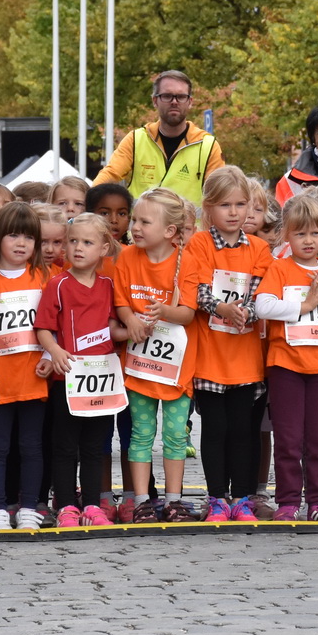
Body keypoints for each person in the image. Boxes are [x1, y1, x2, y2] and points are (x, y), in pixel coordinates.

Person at [256, 193, 318, 522]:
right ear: (287, 235)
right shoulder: (280, 269)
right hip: (286, 365)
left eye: (315, 232)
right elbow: (263, 306)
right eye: (300, 233)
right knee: (288, 439)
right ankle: (287, 502)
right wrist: (305, 305)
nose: (308, 240)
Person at [183, 166, 274, 517]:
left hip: (247, 359)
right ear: (208, 207)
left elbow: (262, 292)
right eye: (225, 205)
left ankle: (243, 497)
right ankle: (217, 497)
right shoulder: (199, 243)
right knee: (215, 430)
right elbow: (197, 289)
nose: (234, 212)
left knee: (244, 431)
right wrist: (222, 308)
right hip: (210, 357)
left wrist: (247, 312)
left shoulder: (260, 249)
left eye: (240, 204)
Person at [113, 187, 198, 523]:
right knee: (141, 433)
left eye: (144, 222)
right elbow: (120, 300)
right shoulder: (127, 257)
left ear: (169, 230)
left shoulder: (186, 261)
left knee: (176, 435)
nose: (135, 227)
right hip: (139, 366)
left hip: (176, 368)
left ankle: (174, 500)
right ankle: (142, 500)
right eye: (134, 220)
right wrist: (131, 320)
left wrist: (164, 311)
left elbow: (188, 313)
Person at [36, 213, 123, 528]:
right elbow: (43, 328)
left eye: (87, 242)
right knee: (64, 446)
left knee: (94, 446)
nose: (78, 248)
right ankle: (67, 507)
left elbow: (113, 328)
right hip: (67, 377)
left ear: (103, 249)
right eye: (73, 241)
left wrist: (137, 331)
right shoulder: (57, 284)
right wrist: (56, 351)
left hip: (101, 379)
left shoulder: (108, 285)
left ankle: (92, 505)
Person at [0, 202, 51, 531]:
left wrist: (49, 358)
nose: (21, 243)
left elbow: (54, 325)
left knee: (31, 447)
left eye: (29, 237)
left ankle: (29, 507)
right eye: (13, 235)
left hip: (34, 380)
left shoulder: (43, 277)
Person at [92, 70, 225, 206]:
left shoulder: (208, 146)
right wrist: (88, 200)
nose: (174, 102)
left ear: (190, 102)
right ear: (155, 101)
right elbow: (111, 174)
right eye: (167, 96)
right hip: (142, 220)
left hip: (188, 221)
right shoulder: (135, 140)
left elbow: (220, 196)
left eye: (181, 96)